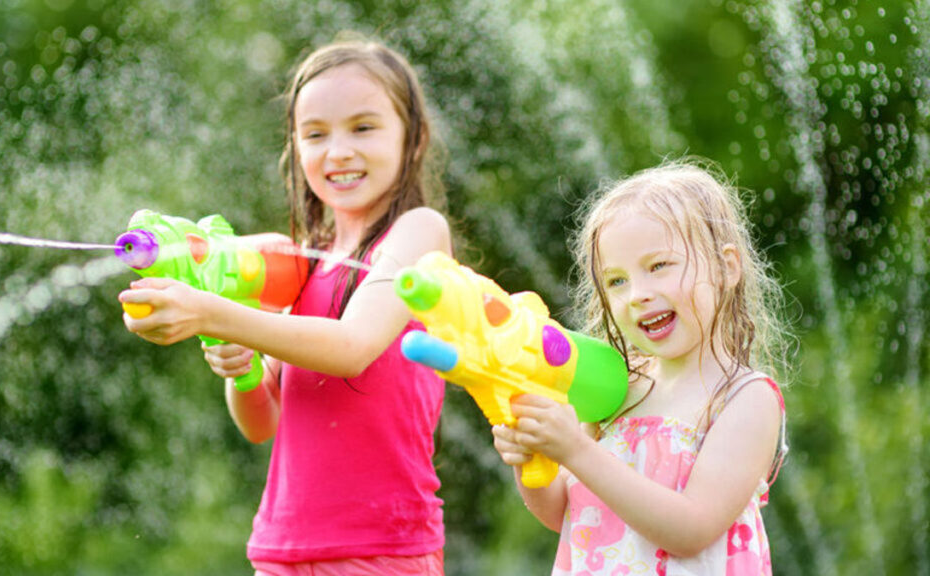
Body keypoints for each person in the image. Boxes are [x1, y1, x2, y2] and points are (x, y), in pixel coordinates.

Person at [119, 37, 451, 575]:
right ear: (295, 147)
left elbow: (352, 348)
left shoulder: (417, 234)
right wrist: (241, 367)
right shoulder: (301, 266)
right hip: (282, 548)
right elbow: (261, 423)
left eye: (363, 128)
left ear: (413, 139)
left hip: (381, 549)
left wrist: (211, 312)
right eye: (315, 134)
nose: (337, 150)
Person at [492, 159, 791, 575]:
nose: (637, 295)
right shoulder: (617, 385)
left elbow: (692, 528)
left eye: (658, 267)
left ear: (727, 267)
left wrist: (574, 451)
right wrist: (532, 458)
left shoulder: (746, 398)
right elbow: (567, 513)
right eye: (616, 281)